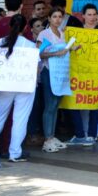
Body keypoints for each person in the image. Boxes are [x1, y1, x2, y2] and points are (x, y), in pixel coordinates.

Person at [0, 15, 38, 163]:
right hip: (24, 86)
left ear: (10, 26)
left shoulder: (0, 42)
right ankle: (15, 152)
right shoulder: (30, 45)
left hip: (3, 84)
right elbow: (35, 67)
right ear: (26, 28)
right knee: (20, 118)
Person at [68, 3, 98, 146]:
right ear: (83, 16)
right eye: (89, 14)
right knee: (73, 102)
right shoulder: (76, 32)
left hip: (97, 73)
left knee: (95, 103)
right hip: (78, 73)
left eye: (94, 14)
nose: (92, 17)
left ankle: (92, 135)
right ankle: (79, 134)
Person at [37, 8, 71, 153]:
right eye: (54, 17)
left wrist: (71, 49)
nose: (58, 19)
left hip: (60, 74)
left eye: (60, 17)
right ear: (49, 18)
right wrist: (57, 53)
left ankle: (51, 136)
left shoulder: (62, 34)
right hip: (48, 72)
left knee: (56, 105)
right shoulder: (44, 34)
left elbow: (63, 52)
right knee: (49, 105)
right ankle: (47, 139)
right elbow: (39, 53)